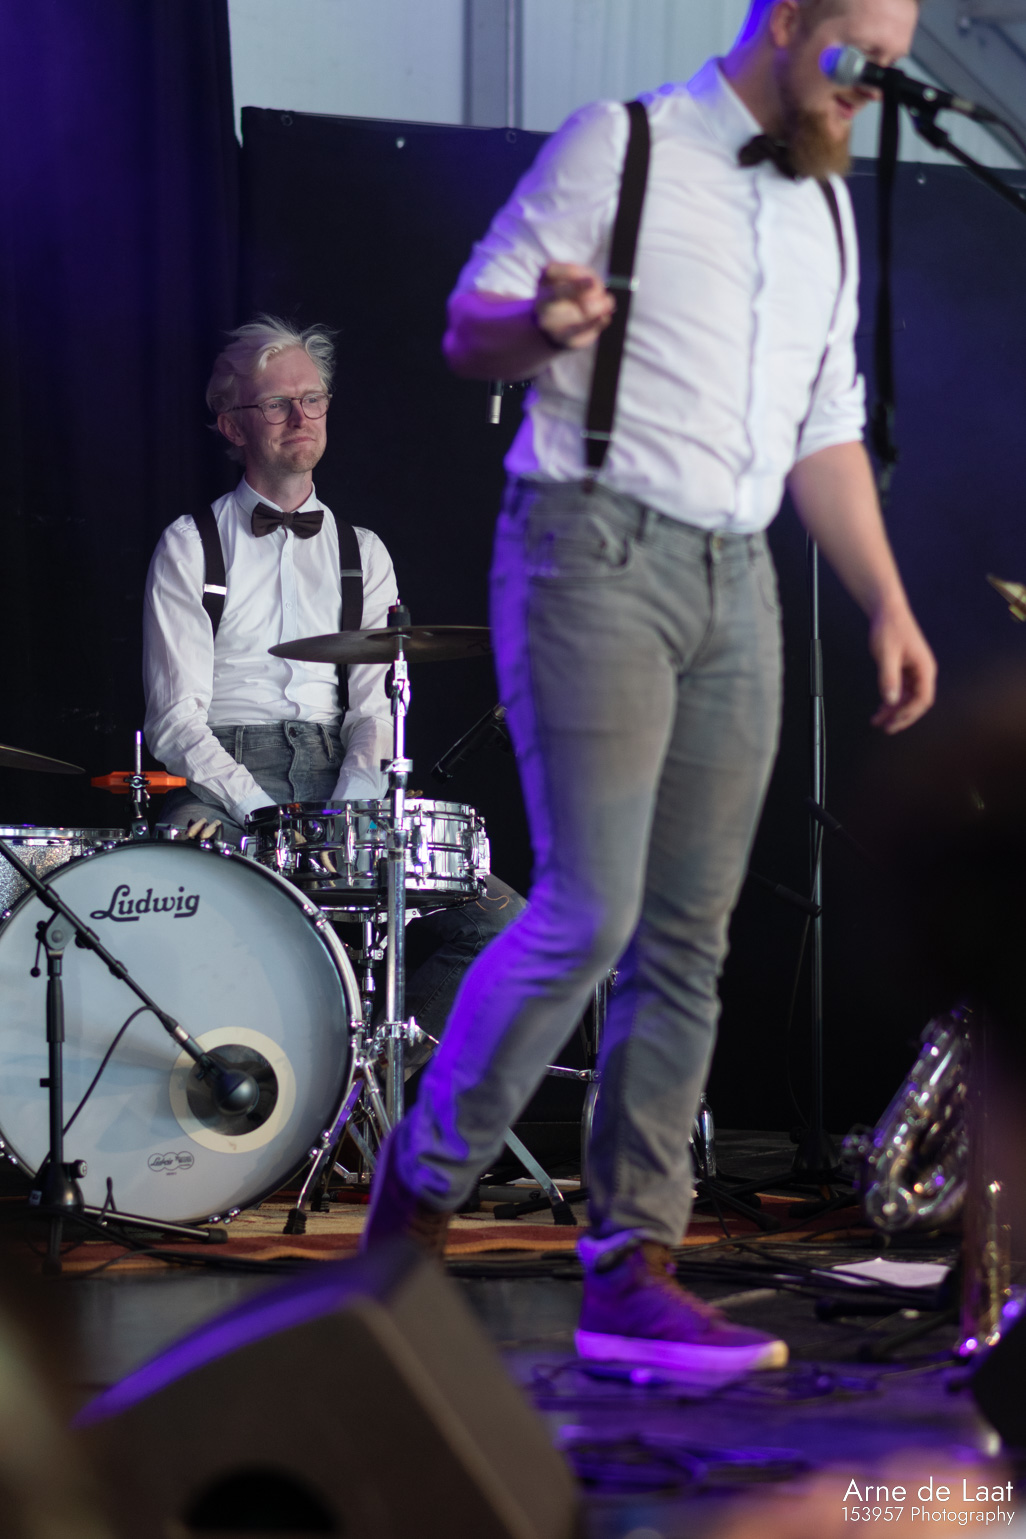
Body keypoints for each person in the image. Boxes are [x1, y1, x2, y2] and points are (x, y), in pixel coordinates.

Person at [365, 0, 936, 1373]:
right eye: (858, 54)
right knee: (589, 909)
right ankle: (413, 1206)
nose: (873, 85)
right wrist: (538, 320)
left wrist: (887, 600)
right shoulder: (617, 147)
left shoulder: (825, 208)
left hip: (738, 578)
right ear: (787, 21)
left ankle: (632, 1267)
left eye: (892, 65)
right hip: (590, 545)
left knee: (691, 935)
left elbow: (825, 429)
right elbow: (469, 328)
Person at [143, 315, 524, 1044]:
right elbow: (175, 720)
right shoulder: (191, 544)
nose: (301, 416)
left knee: (502, 928)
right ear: (232, 426)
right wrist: (265, 815)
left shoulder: (364, 552)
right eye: (276, 403)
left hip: (340, 776)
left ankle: (361, 1086)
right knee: (171, 901)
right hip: (225, 780)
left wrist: (348, 808)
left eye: (312, 399)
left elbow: (374, 709)